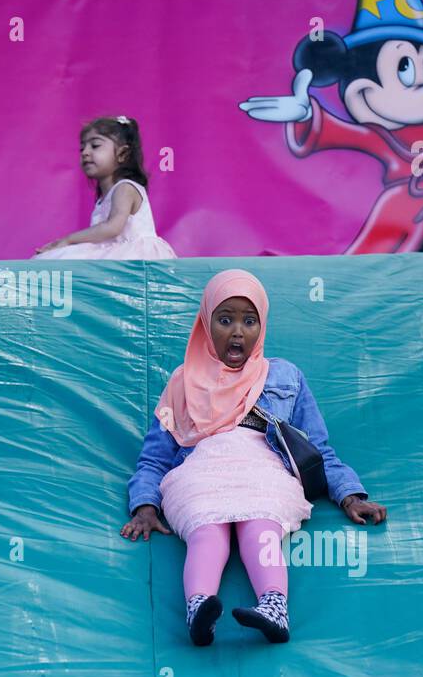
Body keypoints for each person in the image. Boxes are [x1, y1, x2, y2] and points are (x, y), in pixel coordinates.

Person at [121, 269, 386, 645]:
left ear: (262, 325)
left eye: (249, 321)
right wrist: (145, 504)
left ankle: (274, 608)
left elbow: (318, 449)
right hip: (201, 474)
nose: (237, 332)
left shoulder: (285, 377)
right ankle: (199, 608)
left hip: (263, 472)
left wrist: (349, 495)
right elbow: (154, 458)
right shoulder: (184, 382)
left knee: (260, 527)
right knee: (205, 529)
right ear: (205, 322)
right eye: (225, 320)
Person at [34, 115, 176, 259]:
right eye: (82, 148)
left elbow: (113, 228)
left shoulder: (125, 188)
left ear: (122, 154)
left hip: (136, 259)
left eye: (95, 146)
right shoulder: (104, 198)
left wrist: (69, 239)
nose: (85, 152)